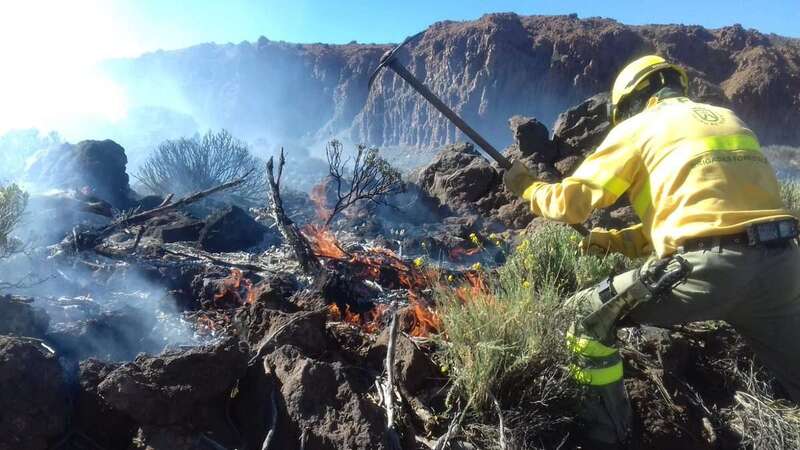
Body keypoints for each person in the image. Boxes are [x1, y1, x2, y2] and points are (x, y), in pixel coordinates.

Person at [503, 54, 800, 447]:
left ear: (632, 102)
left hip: (711, 273)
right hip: (783, 268)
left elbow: (572, 204)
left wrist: (528, 188)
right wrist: (616, 241)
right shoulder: (730, 120)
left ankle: (608, 436)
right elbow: (711, 214)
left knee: (584, 315)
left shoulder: (641, 125)